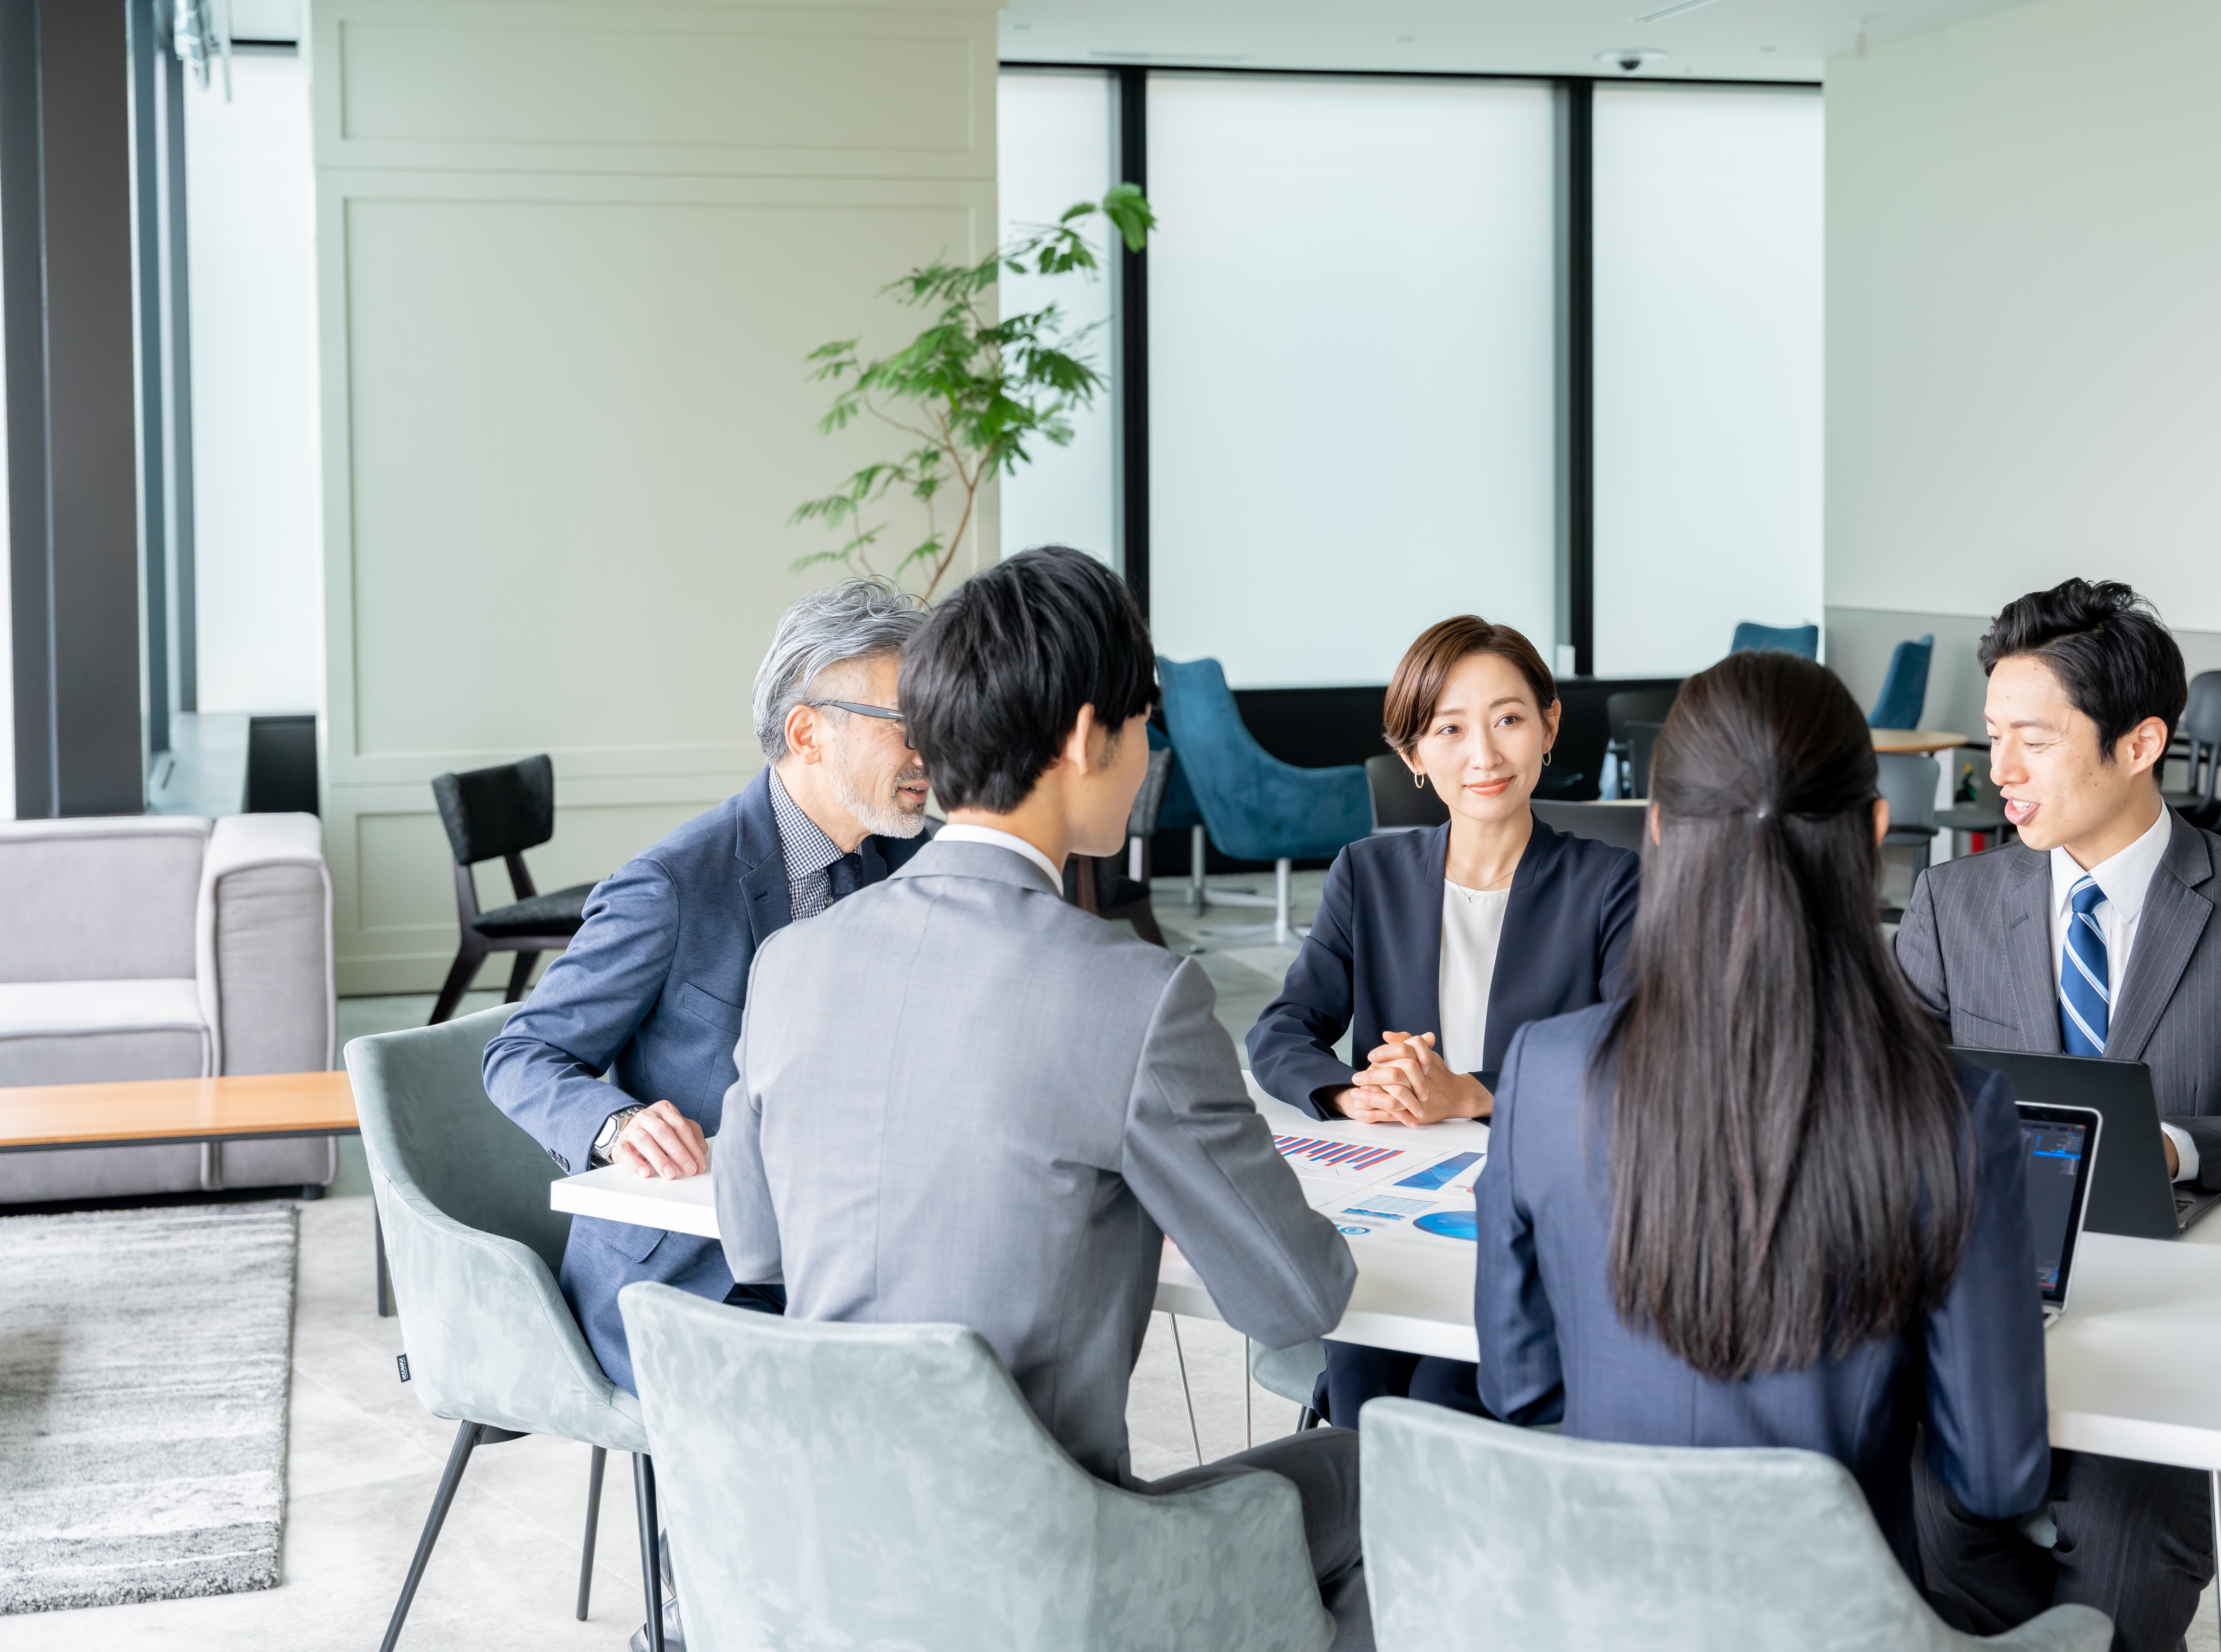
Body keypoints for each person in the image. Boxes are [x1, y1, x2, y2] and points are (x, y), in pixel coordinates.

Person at [713, 547, 1372, 1650]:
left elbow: (754, 1247)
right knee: (1392, 1472)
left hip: (828, 1555)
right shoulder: (1136, 995)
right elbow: (1294, 1302)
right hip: (1052, 1578)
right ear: (1082, 739)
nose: (1148, 758)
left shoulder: (791, 962)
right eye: (1144, 726)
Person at [1474, 649, 2051, 1586]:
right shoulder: (1956, 1107)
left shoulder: (1543, 1072)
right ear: (1874, 830)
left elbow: (1520, 1391)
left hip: (1601, 1611)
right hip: (1837, 1619)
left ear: (1658, 828)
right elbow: (1994, 1475)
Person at [482, 576, 932, 1395]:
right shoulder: (675, 885)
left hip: (851, 1253)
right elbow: (521, 1053)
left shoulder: (916, 864)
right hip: (693, 1278)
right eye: (907, 723)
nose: (930, 751)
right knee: (844, 1402)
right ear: (808, 732)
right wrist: (617, 1124)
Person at [1896, 578, 2221, 1652]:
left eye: (2033, 741)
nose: (2000, 771)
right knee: (1927, 1530)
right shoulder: (1953, 902)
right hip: (1982, 1297)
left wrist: (2178, 1146)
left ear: (2140, 745)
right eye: (1994, 736)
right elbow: (1887, 1090)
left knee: (2132, 1569)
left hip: (2162, 1318)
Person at [1246, 614, 1638, 1424]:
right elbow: (1282, 1029)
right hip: (1397, 1202)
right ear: (1414, 755)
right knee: (1364, 1375)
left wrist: (1474, 1093)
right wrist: (1350, 1092)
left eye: (1508, 719)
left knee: (1444, 1393)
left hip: (1536, 1211)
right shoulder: (1369, 873)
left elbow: (1636, 1061)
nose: (1484, 754)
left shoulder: (1610, 884)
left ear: (1549, 727)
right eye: (1450, 729)